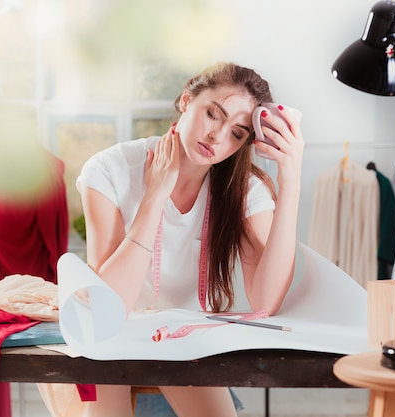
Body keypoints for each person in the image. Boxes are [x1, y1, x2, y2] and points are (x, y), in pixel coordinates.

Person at [76, 62, 304, 417]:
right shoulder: (109, 169)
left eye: (238, 133)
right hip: (110, 334)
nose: (217, 137)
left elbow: (266, 300)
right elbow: (109, 308)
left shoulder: (243, 189)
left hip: (186, 339)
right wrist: (155, 195)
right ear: (186, 100)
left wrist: (291, 182)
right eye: (213, 114)